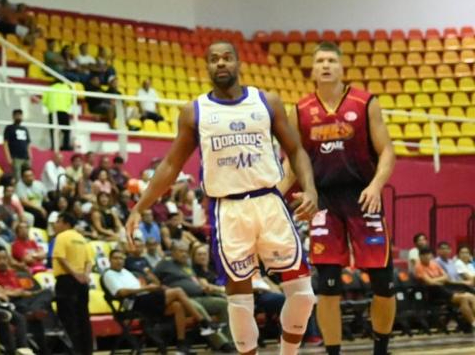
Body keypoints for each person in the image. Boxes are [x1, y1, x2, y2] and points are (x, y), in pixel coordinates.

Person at [126, 41, 319, 355]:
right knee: (240, 302)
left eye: (227, 58)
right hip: (227, 209)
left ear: (238, 62)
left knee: (303, 295)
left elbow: (296, 150)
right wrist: (140, 206)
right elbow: (171, 165)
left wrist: (310, 189)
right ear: (207, 66)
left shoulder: (266, 101)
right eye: (214, 59)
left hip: (270, 202)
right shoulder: (195, 111)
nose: (220, 63)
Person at [285, 42, 396, 355]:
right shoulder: (301, 110)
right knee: (328, 285)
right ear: (313, 68)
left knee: (384, 284)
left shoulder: (364, 102)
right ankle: (333, 352)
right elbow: (294, 160)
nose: (325, 65)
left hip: (363, 197)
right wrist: (275, 195)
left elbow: (387, 150)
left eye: (331, 60)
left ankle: (381, 349)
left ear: (341, 67)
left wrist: (376, 186)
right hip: (324, 202)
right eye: (319, 60)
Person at [101, 248, 197, 354]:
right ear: (109, 260)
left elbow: (139, 287)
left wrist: (149, 286)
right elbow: (121, 293)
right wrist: (146, 289)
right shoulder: (108, 274)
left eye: (121, 258)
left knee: (177, 306)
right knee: (178, 291)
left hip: (145, 299)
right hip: (134, 303)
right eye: (115, 258)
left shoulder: (126, 272)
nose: (119, 261)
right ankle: (204, 323)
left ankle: (181, 345)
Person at [51, 213, 92, 353]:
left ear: (66, 223)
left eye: (58, 221)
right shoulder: (81, 238)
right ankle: (86, 351)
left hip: (66, 281)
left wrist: (74, 275)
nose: (55, 224)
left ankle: (73, 351)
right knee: (83, 319)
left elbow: (61, 258)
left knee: (68, 319)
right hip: (82, 283)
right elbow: (89, 261)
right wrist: (85, 276)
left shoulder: (62, 237)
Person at [413, 245, 475, 326]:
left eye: (428, 254)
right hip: (433, 292)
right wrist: (440, 280)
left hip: (444, 288)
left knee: (470, 297)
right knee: (464, 298)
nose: (427, 257)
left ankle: (473, 323)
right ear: (420, 256)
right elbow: (429, 282)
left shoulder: (433, 263)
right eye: (424, 255)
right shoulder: (418, 266)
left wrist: (437, 280)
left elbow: (446, 276)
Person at [3, 109, 32, 181]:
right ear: (13, 116)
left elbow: (28, 144)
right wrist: (8, 157)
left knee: (27, 176)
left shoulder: (25, 129)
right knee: (17, 178)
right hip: (16, 157)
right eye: (17, 115)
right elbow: (5, 143)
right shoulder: (9, 128)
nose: (19, 117)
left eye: (20, 115)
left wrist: (30, 156)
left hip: (26, 157)